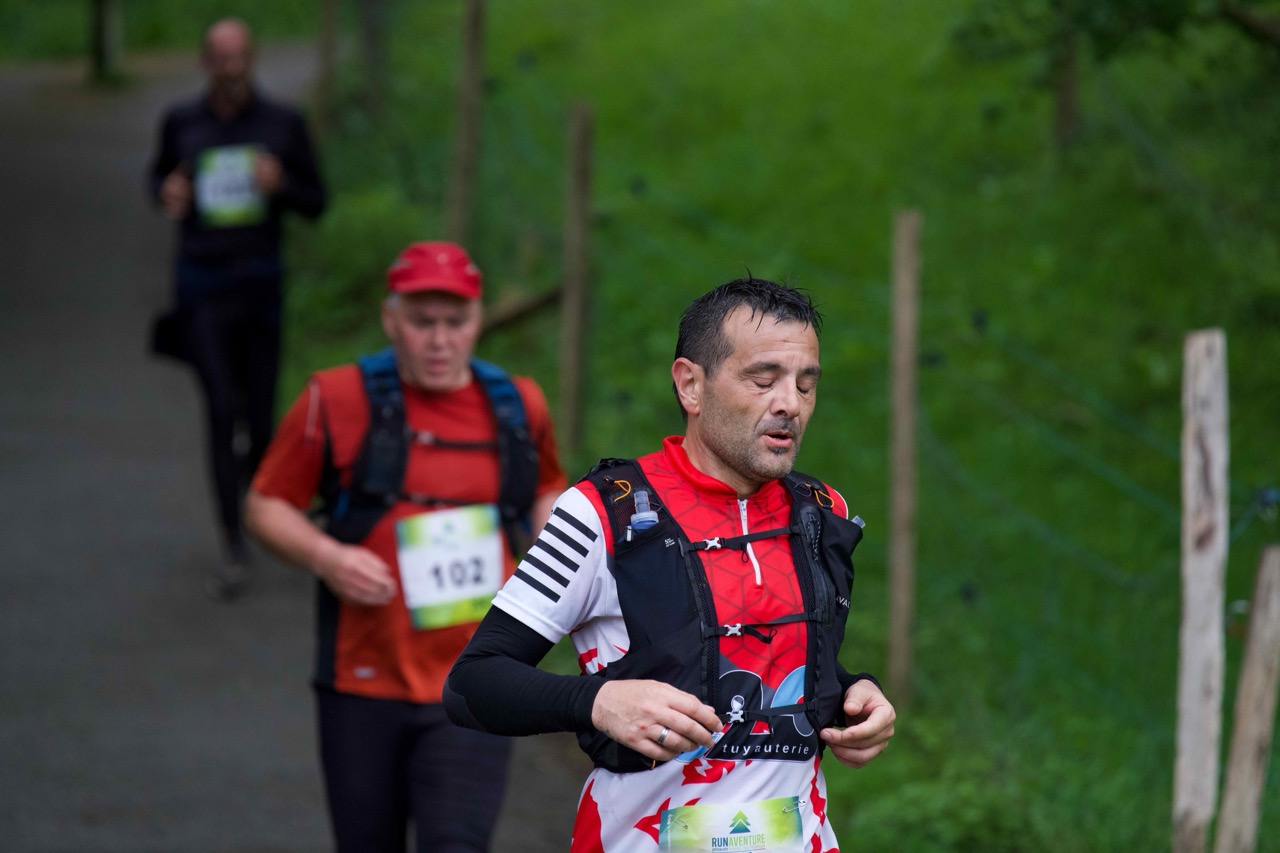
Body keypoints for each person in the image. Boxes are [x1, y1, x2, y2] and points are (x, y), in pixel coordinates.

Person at [444, 277, 896, 852]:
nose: (790, 403)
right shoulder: (602, 512)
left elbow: (778, 665)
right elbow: (472, 683)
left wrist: (856, 694)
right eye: (764, 380)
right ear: (690, 386)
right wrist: (598, 702)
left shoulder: (822, 511)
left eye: (806, 384)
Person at [244, 240, 566, 852]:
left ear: (478, 319)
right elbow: (265, 504)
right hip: (363, 679)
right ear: (390, 320)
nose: (439, 340)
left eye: (455, 322)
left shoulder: (517, 405)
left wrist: (550, 547)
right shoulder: (335, 398)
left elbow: (546, 488)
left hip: (478, 676)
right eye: (422, 322)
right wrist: (327, 557)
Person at [146, 18, 326, 598]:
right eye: (220, 58)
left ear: (252, 59)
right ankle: (234, 542)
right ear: (206, 63)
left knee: (261, 417)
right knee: (222, 409)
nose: (230, 68)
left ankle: (263, 504)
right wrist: (167, 192)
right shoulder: (182, 122)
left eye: (239, 56)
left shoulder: (282, 124)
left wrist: (280, 186)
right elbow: (158, 179)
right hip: (202, 287)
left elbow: (316, 200)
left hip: (260, 286)